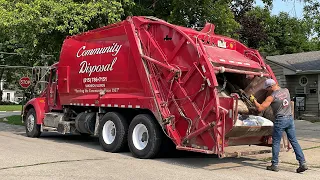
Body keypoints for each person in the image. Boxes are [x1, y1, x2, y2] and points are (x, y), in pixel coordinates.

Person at [249, 78, 308, 173]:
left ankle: (274, 164)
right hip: (290, 119)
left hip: (280, 120)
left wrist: (253, 100)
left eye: (267, 88)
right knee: (294, 141)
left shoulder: (271, 97)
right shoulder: (286, 91)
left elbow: (260, 108)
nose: (267, 90)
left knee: (276, 142)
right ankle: (303, 163)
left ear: (271, 86)